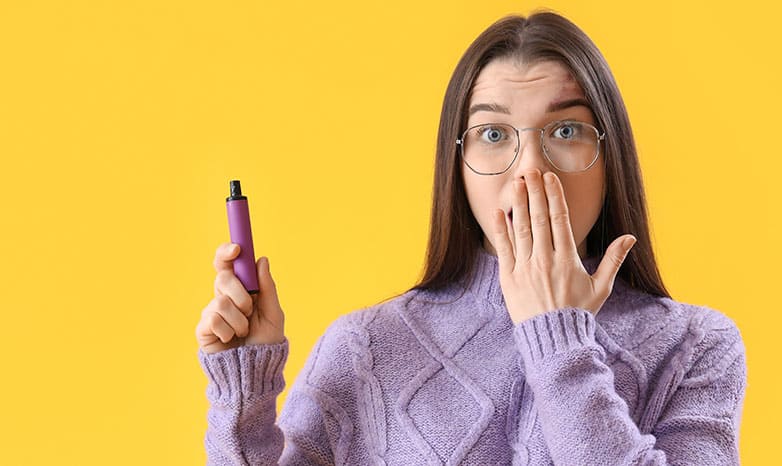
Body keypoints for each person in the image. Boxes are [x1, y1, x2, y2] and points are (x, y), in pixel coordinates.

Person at [196, 11, 747, 465]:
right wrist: (243, 394)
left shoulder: (698, 347)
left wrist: (558, 340)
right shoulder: (364, 347)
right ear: (456, 167)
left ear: (611, 158)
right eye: (492, 134)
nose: (531, 169)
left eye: (565, 130)